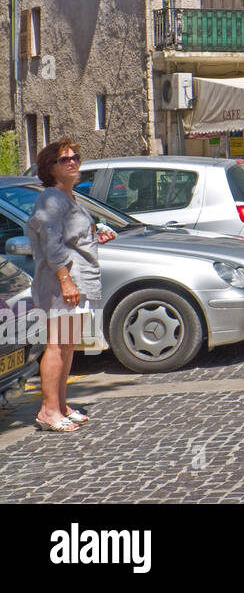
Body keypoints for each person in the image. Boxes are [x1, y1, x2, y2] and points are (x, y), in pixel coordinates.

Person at [26, 137, 115, 432]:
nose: (73, 162)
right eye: (65, 159)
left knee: (67, 346)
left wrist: (95, 233)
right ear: (50, 167)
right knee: (57, 345)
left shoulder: (69, 196)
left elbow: (71, 236)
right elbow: (51, 244)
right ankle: (48, 410)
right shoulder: (51, 199)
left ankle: (61, 404)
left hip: (77, 280)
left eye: (75, 156)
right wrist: (65, 281)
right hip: (61, 283)